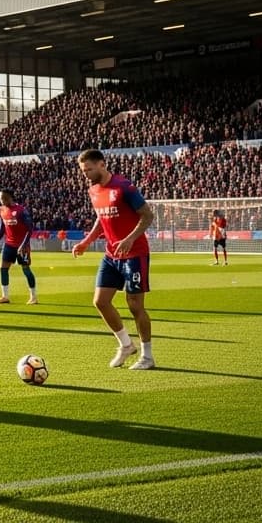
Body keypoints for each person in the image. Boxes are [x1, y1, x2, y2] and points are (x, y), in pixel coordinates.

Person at [71, 149, 157, 371]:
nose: (86, 174)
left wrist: (129, 239)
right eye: (83, 171)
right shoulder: (93, 190)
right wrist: (86, 241)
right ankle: (126, 345)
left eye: (89, 169)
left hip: (135, 253)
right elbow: (101, 218)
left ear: (102, 164)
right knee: (100, 301)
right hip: (111, 255)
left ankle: (147, 356)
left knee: (135, 305)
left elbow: (147, 215)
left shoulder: (124, 187)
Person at [0, 189, 37, 305]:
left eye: (4, 198)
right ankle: (5, 296)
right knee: (3, 269)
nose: (2, 201)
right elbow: (2, 226)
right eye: (0, 198)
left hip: (23, 246)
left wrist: (23, 244)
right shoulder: (2, 209)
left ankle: (33, 297)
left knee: (26, 270)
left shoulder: (21, 211)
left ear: (10, 197)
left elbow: (29, 229)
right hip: (9, 245)